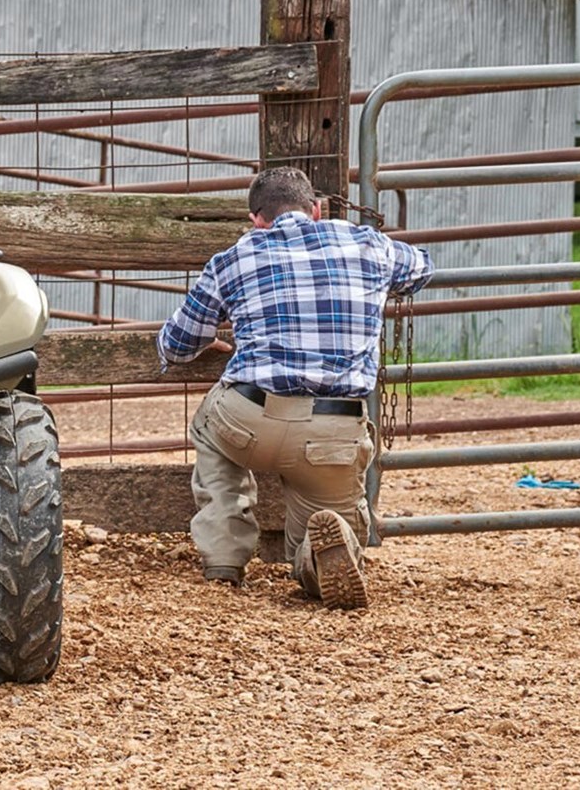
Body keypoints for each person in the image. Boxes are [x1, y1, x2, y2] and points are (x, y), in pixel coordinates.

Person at [157, 165, 432, 609]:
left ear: (256, 220)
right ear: (316, 210)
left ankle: (225, 558)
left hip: (250, 419)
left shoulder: (231, 259)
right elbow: (422, 268)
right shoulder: (368, 244)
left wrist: (213, 336)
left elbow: (176, 345)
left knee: (209, 425)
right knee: (322, 524)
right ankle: (314, 559)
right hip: (333, 431)